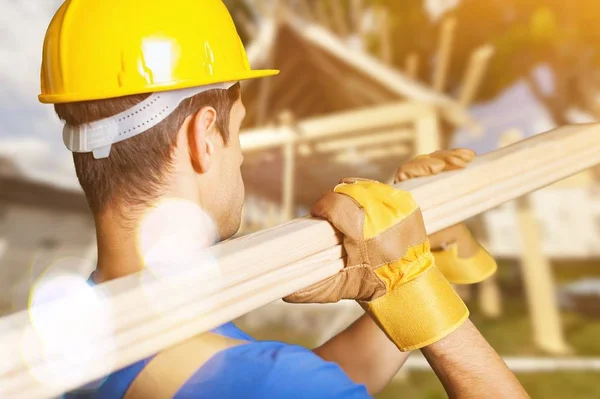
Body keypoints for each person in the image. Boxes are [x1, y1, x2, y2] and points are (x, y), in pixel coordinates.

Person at [40, 1, 528, 397]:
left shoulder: (81, 331)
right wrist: (414, 284)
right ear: (203, 138)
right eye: (238, 132)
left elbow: (282, 381)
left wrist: (420, 264)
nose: (239, 159)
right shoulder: (270, 381)